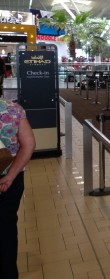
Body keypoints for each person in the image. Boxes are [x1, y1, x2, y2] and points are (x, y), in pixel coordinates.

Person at [0, 100, 36, 278]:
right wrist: (9, 176)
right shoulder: (13, 110)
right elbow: (28, 144)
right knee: (6, 229)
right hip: (9, 181)